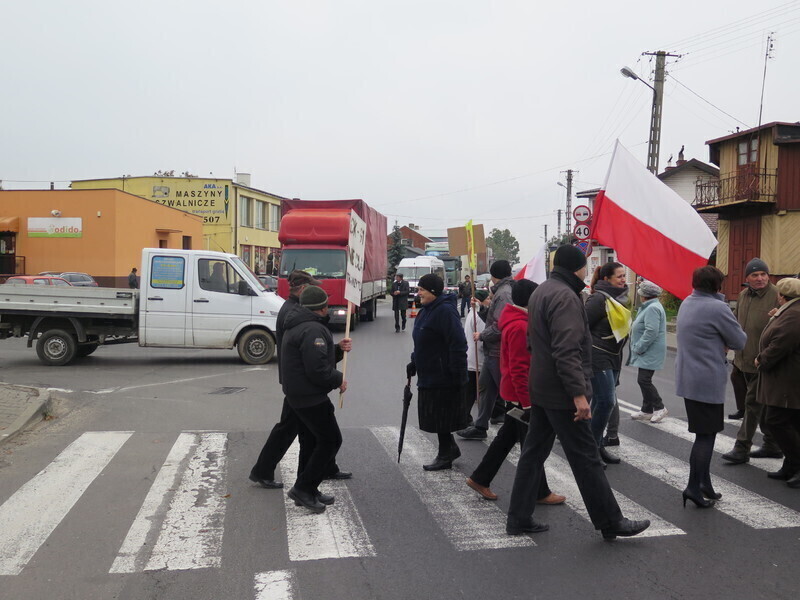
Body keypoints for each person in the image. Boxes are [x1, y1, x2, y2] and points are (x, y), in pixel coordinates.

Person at [506, 245, 650, 539]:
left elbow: (535, 343)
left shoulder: (543, 291)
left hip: (543, 386)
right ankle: (610, 521)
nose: (588, 271)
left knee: (533, 454)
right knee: (586, 456)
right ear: (577, 268)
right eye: (585, 266)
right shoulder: (566, 297)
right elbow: (567, 349)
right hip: (561, 392)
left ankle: (518, 518)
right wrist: (579, 394)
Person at [466, 279, 566, 506]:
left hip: (515, 393)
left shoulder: (516, 320)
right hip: (522, 395)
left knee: (509, 439)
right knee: (533, 446)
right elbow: (520, 369)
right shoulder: (521, 326)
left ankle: (480, 478)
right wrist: (528, 404)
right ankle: (538, 493)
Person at [250, 270, 351, 490]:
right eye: (314, 286)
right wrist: (333, 375)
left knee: (303, 431)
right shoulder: (296, 312)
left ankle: (320, 469)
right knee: (297, 431)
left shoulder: (296, 309)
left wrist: (336, 350)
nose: (319, 290)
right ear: (304, 289)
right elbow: (306, 357)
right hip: (301, 383)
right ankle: (272, 473)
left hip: (298, 382)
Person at [675, 266, 747, 508]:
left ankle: (704, 483)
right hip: (707, 380)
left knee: (703, 433)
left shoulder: (687, 302)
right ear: (718, 285)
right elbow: (739, 340)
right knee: (706, 437)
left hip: (689, 379)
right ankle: (693, 487)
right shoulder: (718, 308)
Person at [281, 285, 351, 512]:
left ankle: (309, 488)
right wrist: (338, 378)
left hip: (299, 393)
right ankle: (303, 488)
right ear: (322, 307)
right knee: (331, 440)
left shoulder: (301, 324)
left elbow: (314, 357)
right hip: (309, 396)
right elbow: (317, 369)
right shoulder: (312, 329)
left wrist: (338, 349)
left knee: (311, 441)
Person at [721, 258, 782, 464]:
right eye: (755, 275)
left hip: (764, 362)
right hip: (742, 360)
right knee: (762, 406)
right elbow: (736, 323)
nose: (760, 278)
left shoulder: (777, 296)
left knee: (752, 404)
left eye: (763, 274)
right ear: (747, 278)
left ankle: (742, 447)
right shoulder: (744, 294)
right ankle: (772, 445)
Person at [406, 274, 470, 471]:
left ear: (433, 291)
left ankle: (445, 454)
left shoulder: (445, 311)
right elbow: (423, 341)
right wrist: (414, 361)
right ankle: (449, 448)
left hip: (444, 374)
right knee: (434, 415)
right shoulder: (427, 310)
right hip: (429, 373)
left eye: (422, 290)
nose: (419, 293)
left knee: (441, 416)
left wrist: (458, 373)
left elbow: (458, 343)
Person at [457, 260, 514, 440]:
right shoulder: (502, 292)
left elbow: (501, 325)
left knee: (507, 392)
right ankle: (481, 426)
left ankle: (517, 428)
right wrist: (483, 308)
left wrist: (482, 336)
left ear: (493, 275)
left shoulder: (503, 294)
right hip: (492, 351)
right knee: (485, 387)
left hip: (497, 351)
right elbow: (494, 316)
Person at [757, 277, 800, 488]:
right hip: (786, 378)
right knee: (793, 422)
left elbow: (780, 344)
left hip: (788, 379)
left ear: (782, 295)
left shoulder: (794, 315)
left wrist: (761, 359)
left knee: (776, 420)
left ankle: (796, 463)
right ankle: (791, 466)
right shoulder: (789, 312)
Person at [585, 262, 629, 465]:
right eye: (619, 276)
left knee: (600, 403)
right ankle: (591, 447)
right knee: (606, 401)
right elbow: (582, 325)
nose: (623, 279)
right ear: (606, 279)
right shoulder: (598, 298)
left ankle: (598, 445)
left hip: (614, 356)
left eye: (624, 276)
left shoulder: (622, 298)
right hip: (598, 355)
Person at [628, 281, 669, 423]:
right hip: (648, 351)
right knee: (644, 379)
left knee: (644, 380)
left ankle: (660, 407)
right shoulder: (649, 306)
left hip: (649, 350)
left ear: (644, 296)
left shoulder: (652, 308)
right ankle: (646, 410)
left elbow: (651, 331)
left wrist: (639, 347)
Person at [463, 289, 488, 425]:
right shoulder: (478, 316)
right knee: (476, 392)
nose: (490, 301)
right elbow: (482, 336)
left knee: (470, 391)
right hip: (478, 358)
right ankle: (467, 418)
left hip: (472, 358)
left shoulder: (471, 314)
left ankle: (465, 417)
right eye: (488, 299)